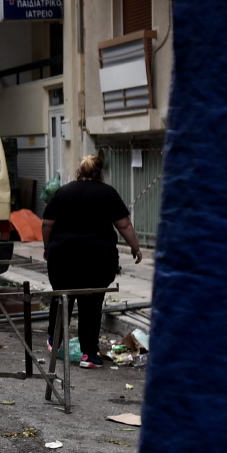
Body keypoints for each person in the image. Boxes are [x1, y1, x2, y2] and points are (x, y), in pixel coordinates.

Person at [40, 154, 141, 368]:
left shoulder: (63, 192)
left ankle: (54, 341)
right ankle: (89, 355)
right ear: (100, 173)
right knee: (92, 304)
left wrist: (48, 247)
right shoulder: (108, 193)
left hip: (63, 257)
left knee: (61, 297)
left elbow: (47, 223)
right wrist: (135, 248)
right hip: (97, 259)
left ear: (80, 171)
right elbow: (124, 225)